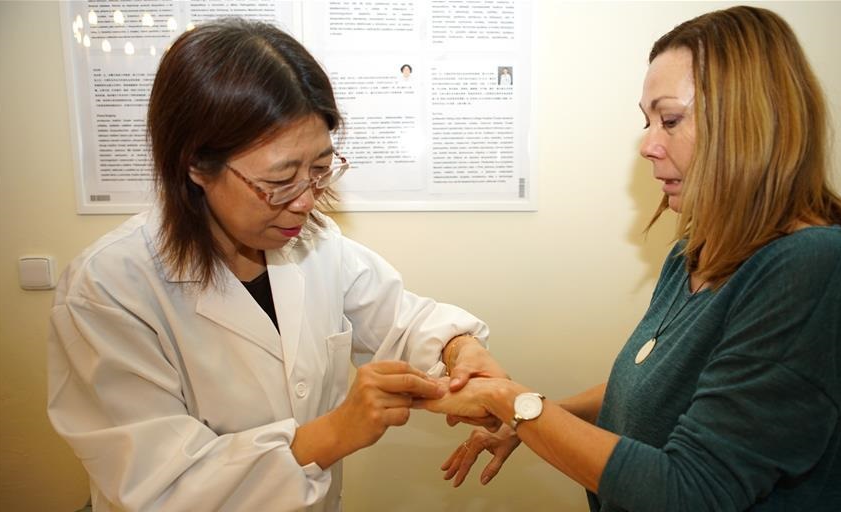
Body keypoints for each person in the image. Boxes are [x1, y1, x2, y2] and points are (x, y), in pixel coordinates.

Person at [419, 6, 841, 511]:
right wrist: (535, 418)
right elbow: (654, 390)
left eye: (670, 120)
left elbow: (689, 493)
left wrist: (511, 401)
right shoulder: (693, 253)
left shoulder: (812, 269)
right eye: (647, 121)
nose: (648, 145)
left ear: (750, 122)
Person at [47, 19, 505, 511]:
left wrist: (459, 350)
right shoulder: (108, 288)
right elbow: (159, 487)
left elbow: (401, 319)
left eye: (321, 169)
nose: (306, 202)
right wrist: (337, 431)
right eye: (281, 179)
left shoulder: (315, 244)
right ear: (196, 164)